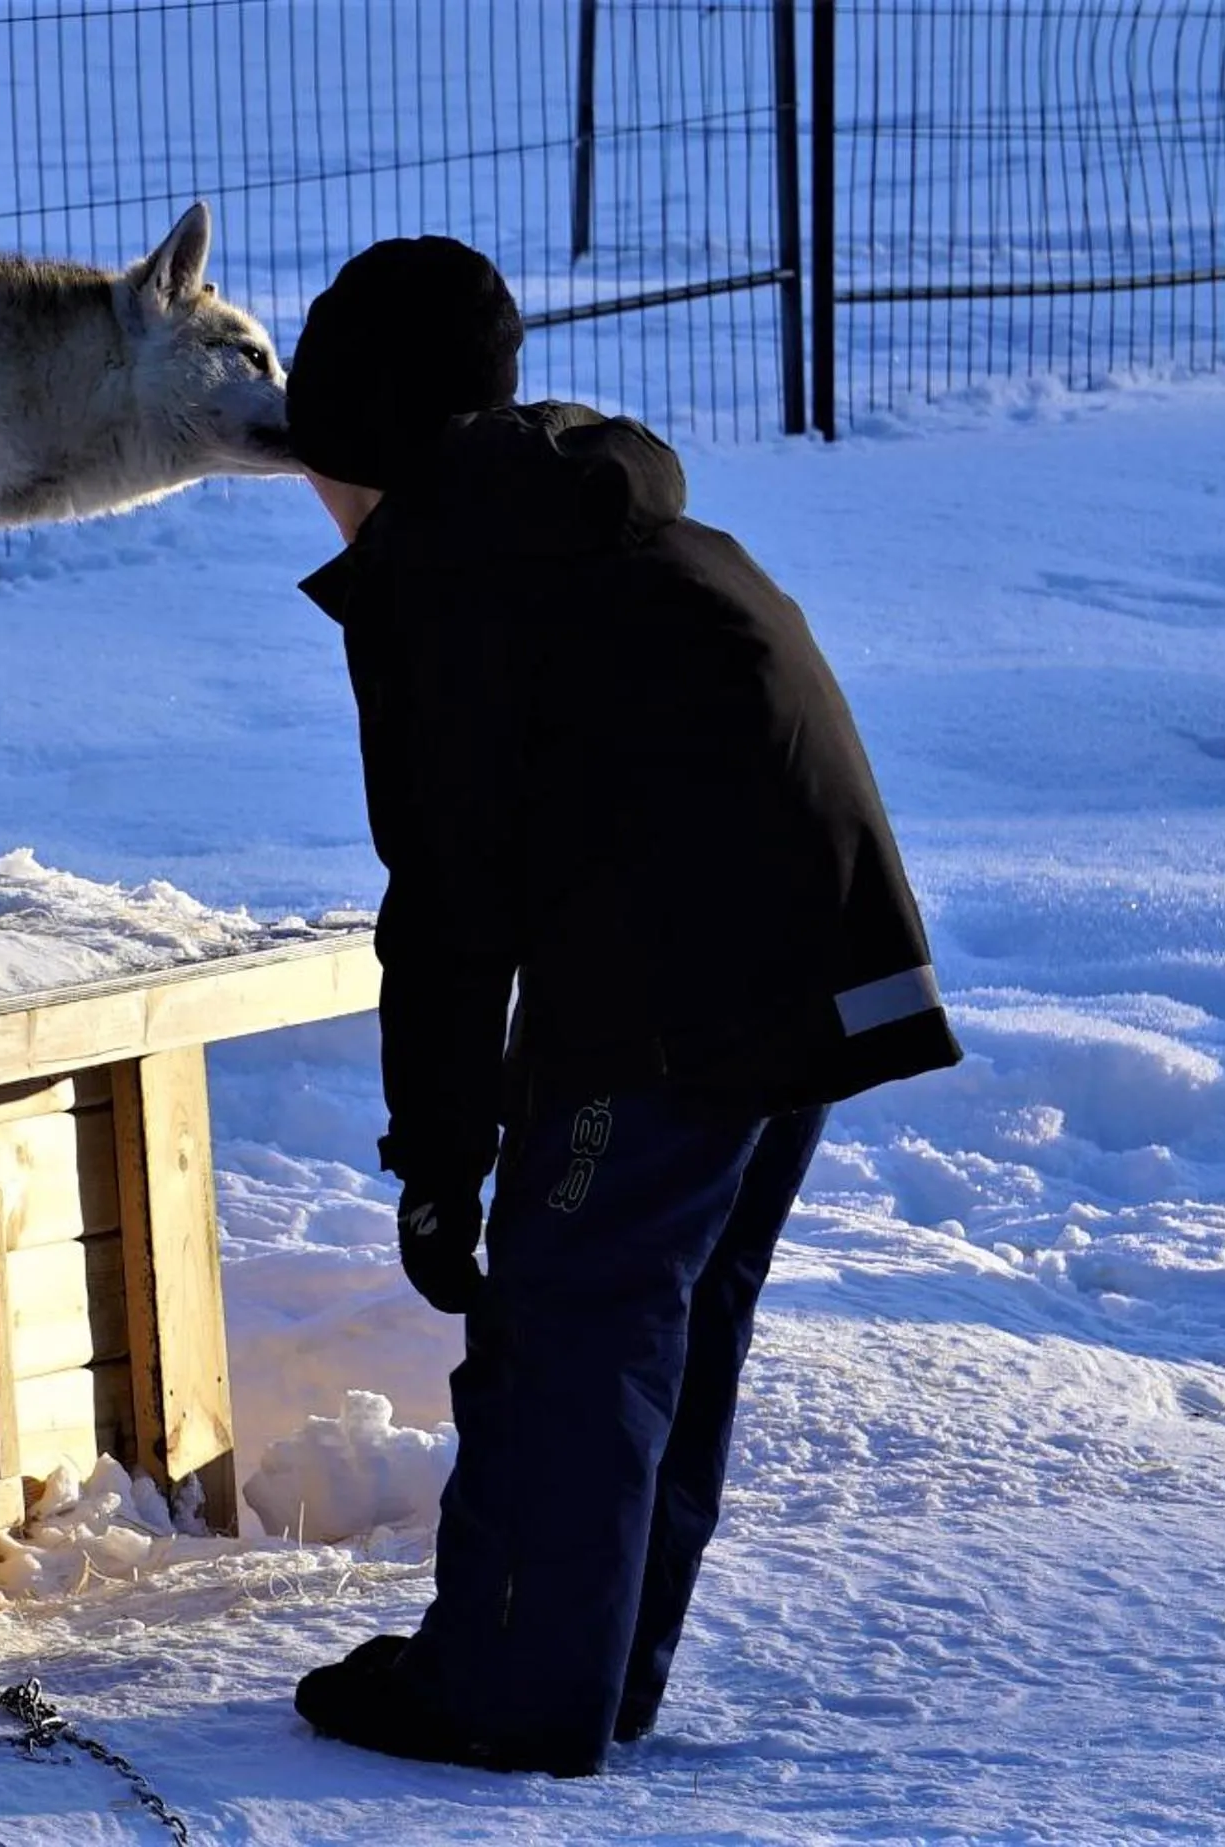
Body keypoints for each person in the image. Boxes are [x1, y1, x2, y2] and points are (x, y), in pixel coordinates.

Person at [282, 237, 961, 1778]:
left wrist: (441, 1163)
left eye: (322, 466)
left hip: (687, 974)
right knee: (668, 1313)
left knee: (573, 1315)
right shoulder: (578, 514)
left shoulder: (448, 575)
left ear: (368, 443)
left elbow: (451, 909)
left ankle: (513, 1692)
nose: (318, 504)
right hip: (823, 951)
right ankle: (590, 1659)